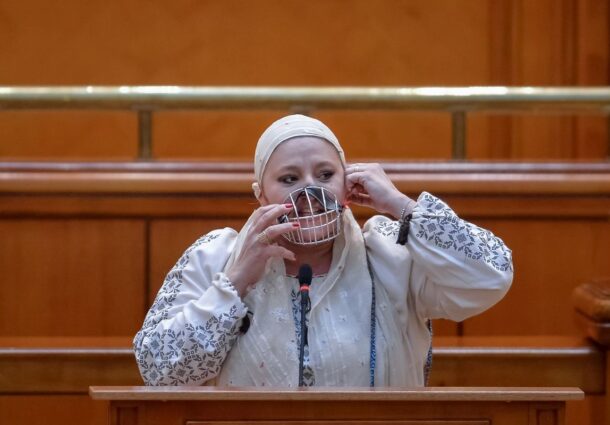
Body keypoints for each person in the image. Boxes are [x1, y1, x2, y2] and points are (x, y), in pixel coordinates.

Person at [133, 114, 513, 387]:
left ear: (348, 185)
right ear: (260, 195)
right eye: (289, 179)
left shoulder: (390, 253)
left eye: (326, 175)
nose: (310, 193)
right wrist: (233, 285)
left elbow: (490, 277)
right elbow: (157, 370)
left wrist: (403, 207)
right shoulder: (214, 256)